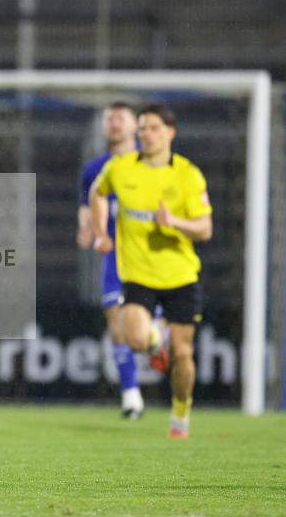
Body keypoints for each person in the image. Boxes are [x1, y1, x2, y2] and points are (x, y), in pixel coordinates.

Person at [89, 104, 212, 439]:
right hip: (138, 274)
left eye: (154, 128)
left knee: (183, 354)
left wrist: (175, 223)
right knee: (135, 338)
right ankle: (157, 339)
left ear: (170, 133)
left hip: (181, 276)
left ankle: (181, 413)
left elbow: (205, 228)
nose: (146, 134)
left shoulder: (188, 175)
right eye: (142, 128)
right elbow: (97, 194)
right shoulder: (122, 167)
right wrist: (101, 231)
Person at [77, 102, 147, 419]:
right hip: (116, 260)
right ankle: (131, 396)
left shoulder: (151, 166)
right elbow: (86, 209)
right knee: (117, 323)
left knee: (145, 335)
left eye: (121, 118)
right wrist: (87, 230)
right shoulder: (95, 169)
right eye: (109, 119)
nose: (114, 123)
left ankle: (158, 340)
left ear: (136, 126)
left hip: (152, 258)